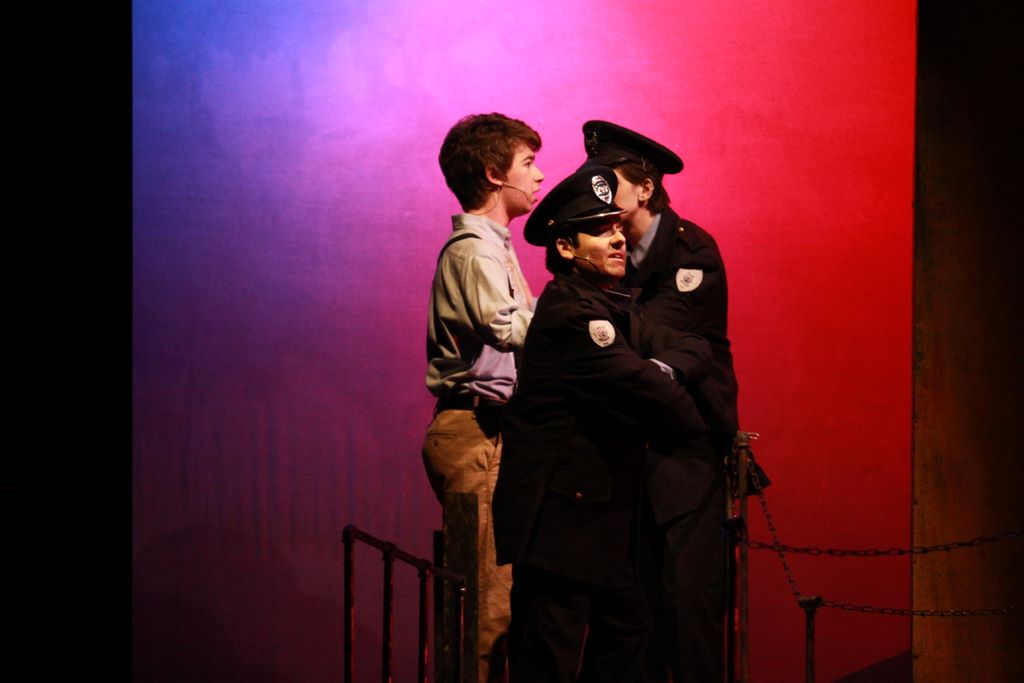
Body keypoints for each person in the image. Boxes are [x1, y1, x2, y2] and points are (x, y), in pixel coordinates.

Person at [492, 166, 714, 683]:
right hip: (563, 526)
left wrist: (658, 370)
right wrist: (662, 382)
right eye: (600, 230)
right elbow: (652, 395)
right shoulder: (572, 314)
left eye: (617, 226)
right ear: (566, 248)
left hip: (601, 522)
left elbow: (695, 345)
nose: (618, 238)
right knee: (549, 658)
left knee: (629, 634)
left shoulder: (613, 307)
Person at [579, 120, 767, 683]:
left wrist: (582, 319)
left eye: (607, 181)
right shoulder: (600, 249)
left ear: (645, 187)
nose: (596, 191)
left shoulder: (691, 250)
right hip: (621, 458)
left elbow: (656, 333)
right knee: (625, 621)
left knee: (689, 613)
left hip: (686, 456)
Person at [423, 112, 544, 683]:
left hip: (493, 431)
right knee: (487, 604)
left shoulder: (494, 246)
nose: (539, 175)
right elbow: (507, 328)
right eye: (528, 163)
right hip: (476, 432)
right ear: (495, 174)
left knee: (501, 597)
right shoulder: (473, 250)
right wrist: (577, 320)